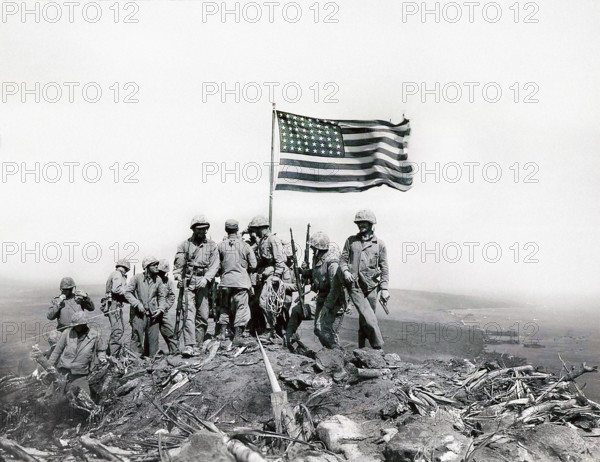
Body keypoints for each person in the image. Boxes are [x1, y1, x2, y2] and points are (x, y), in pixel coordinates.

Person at [286, 232, 348, 349]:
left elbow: (336, 289)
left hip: (334, 303)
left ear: (319, 248)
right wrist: (303, 272)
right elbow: (315, 273)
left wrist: (327, 306)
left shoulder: (332, 264)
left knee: (325, 331)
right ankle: (288, 339)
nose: (312, 250)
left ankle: (336, 355)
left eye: (314, 248)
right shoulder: (318, 259)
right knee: (308, 321)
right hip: (322, 299)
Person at [339, 210, 389, 349]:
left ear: (371, 224)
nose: (361, 225)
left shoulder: (379, 244)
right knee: (370, 318)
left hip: (372, 287)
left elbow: (384, 267)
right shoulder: (351, 241)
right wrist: (345, 271)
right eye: (359, 223)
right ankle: (378, 348)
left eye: (364, 223)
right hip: (355, 286)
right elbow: (342, 260)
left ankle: (362, 350)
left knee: (365, 320)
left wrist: (384, 289)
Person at [173, 215, 220, 357]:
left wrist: (206, 278)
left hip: (203, 283)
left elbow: (214, 265)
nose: (202, 232)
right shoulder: (184, 245)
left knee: (204, 315)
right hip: (188, 282)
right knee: (188, 314)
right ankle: (189, 345)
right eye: (199, 229)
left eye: (205, 229)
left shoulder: (212, 246)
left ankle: (199, 344)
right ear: (193, 229)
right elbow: (178, 266)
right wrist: (177, 277)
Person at [216, 219, 257, 346]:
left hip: (225, 282)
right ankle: (237, 337)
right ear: (237, 229)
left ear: (226, 230)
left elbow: (216, 266)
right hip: (241, 282)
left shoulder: (220, 245)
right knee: (241, 308)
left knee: (224, 307)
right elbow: (254, 264)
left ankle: (222, 333)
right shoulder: (245, 246)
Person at [47, 311, 107, 397]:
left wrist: (102, 358)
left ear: (84, 324)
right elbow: (57, 351)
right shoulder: (67, 333)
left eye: (77, 325)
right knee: (55, 395)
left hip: (80, 373)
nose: (75, 327)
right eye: (74, 325)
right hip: (63, 371)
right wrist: (49, 366)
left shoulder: (95, 335)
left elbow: (101, 350)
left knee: (85, 397)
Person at [124, 256, 172, 357]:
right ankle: (135, 361)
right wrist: (137, 304)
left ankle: (152, 361)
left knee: (153, 341)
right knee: (136, 338)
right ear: (147, 266)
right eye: (154, 265)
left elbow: (162, 297)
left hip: (154, 314)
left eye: (157, 264)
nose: (156, 267)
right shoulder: (137, 278)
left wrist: (161, 309)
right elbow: (127, 293)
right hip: (139, 314)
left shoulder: (158, 280)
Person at [250, 215, 287, 340]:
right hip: (264, 274)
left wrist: (277, 275)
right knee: (258, 302)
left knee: (265, 302)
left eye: (256, 229)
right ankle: (266, 328)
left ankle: (270, 329)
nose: (254, 231)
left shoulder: (273, 240)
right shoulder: (262, 241)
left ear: (262, 228)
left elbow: (279, 260)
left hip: (272, 275)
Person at [102, 259, 130, 357]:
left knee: (117, 330)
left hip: (115, 304)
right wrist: (129, 290)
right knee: (118, 331)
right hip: (114, 305)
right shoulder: (118, 274)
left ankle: (110, 353)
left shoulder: (116, 274)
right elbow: (116, 289)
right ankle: (113, 356)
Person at [156, 259, 180, 354]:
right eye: (161, 272)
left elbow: (172, 296)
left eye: (164, 272)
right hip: (151, 310)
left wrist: (165, 307)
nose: (162, 274)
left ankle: (174, 351)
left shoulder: (168, 282)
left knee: (169, 330)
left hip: (163, 311)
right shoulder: (152, 280)